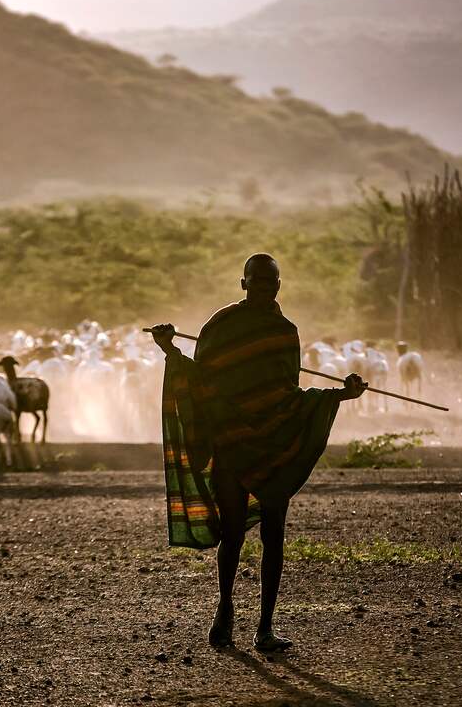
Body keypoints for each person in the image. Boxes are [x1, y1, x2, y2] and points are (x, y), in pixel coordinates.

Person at [150, 253, 367, 652]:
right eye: (259, 282)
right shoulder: (220, 325)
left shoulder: (286, 332)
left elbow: (288, 393)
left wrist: (342, 394)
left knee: (274, 535)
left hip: (273, 444)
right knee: (231, 534)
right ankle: (225, 610)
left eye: (272, 283)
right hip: (232, 442)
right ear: (244, 283)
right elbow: (201, 382)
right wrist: (169, 350)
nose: (266, 288)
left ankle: (265, 627)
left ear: (279, 286)